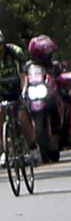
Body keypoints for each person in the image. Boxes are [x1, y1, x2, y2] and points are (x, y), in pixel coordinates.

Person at [0, 28, 34, 163]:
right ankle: (3, 150)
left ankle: (33, 147)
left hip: (17, 90)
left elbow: (23, 77)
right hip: (1, 92)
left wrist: (24, 93)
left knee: (22, 117)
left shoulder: (14, 53)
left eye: (0, 46)